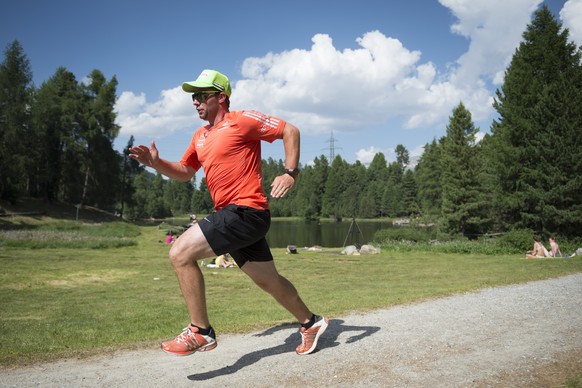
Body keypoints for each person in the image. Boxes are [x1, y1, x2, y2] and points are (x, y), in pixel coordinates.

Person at [129, 69, 328, 356]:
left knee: (180, 253)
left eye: (201, 95)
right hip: (235, 215)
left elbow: (289, 130)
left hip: (246, 210)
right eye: (193, 97)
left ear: (221, 97)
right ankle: (311, 323)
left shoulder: (242, 121)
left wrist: (290, 173)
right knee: (268, 280)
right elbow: (186, 172)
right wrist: (156, 165)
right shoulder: (200, 136)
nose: (195, 101)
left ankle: (200, 331)